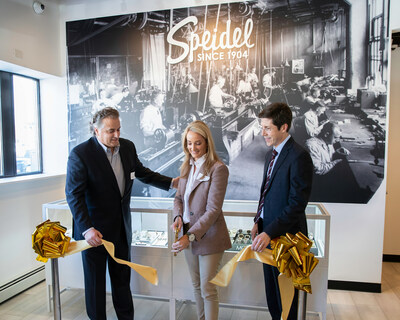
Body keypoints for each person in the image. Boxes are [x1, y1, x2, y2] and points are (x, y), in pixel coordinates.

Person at [65, 107, 178, 320]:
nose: (116, 135)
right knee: (95, 286)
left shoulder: (127, 147)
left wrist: (171, 182)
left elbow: (142, 172)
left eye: (118, 129)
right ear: (96, 131)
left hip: (120, 230)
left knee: (122, 284)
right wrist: (87, 229)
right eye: (110, 131)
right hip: (93, 234)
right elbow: (73, 195)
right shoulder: (80, 154)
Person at [250, 102, 313, 320]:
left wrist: (269, 231)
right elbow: (265, 193)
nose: (263, 132)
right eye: (262, 127)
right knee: (273, 298)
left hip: (288, 239)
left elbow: (297, 204)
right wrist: (258, 222)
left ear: (283, 127)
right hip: (267, 235)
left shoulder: (299, 156)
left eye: (267, 128)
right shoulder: (271, 155)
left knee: (289, 301)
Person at [171, 120, 231, 320]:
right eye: (189, 143)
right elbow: (178, 198)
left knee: (207, 287)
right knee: (196, 285)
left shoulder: (218, 169)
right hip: (188, 233)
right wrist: (178, 216)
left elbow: (213, 210)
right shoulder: (187, 167)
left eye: (197, 143)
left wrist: (190, 235)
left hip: (209, 236)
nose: (193, 148)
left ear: (206, 142)